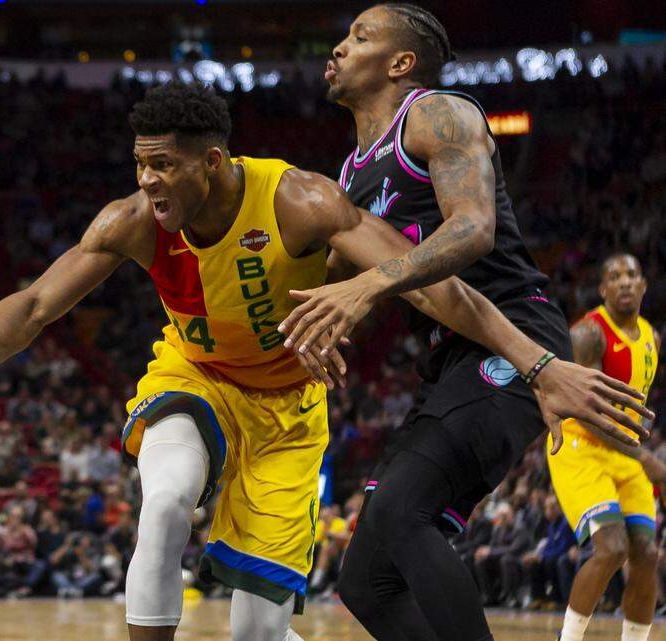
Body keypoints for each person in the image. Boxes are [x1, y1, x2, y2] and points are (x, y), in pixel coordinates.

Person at [0, 82, 646, 641]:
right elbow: (33, 304)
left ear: (213, 161)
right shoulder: (133, 221)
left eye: (162, 165)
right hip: (196, 379)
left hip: (288, 413)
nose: (147, 180)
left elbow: (433, 288)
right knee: (165, 500)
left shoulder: (299, 200)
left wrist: (538, 364)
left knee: (257, 629)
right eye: (140, 164)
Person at [277, 5, 655, 640]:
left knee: (402, 512)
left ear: (400, 63)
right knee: (366, 581)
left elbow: (474, 228)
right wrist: (314, 321)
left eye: (359, 37)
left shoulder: (437, 113)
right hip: (450, 358)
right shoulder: (349, 175)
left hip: (516, 335)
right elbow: (344, 292)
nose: (338, 48)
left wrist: (369, 282)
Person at [548, 254, 662, 641]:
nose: (624, 282)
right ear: (603, 290)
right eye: (614, 276)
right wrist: (646, 457)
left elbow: (639, 407)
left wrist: (642, 443)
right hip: (580, 444)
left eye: (631, 275)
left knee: (646, 553)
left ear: (643, 285)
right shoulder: (587, 334)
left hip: (623, 450)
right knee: (612, 548)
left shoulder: (652, 338)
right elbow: (591, 413)